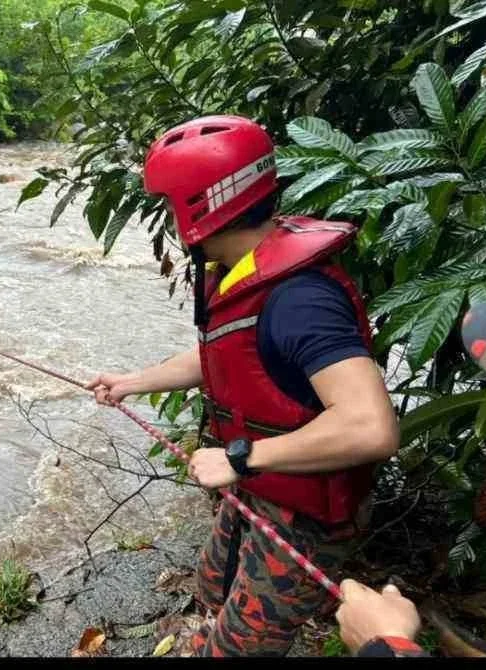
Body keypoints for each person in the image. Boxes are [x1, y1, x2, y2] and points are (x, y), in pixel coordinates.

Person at [87, 115, 401, 656]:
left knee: (239, 647)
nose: (167, 217)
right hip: (264, 483)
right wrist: (133, 382)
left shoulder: (301, 301)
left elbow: (370, 426)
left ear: (201, 206)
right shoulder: (244, 266)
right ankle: (211, 629)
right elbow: (227, 357)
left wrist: (241, 456)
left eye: (170, 204)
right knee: (215, 585)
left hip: (306, 513)